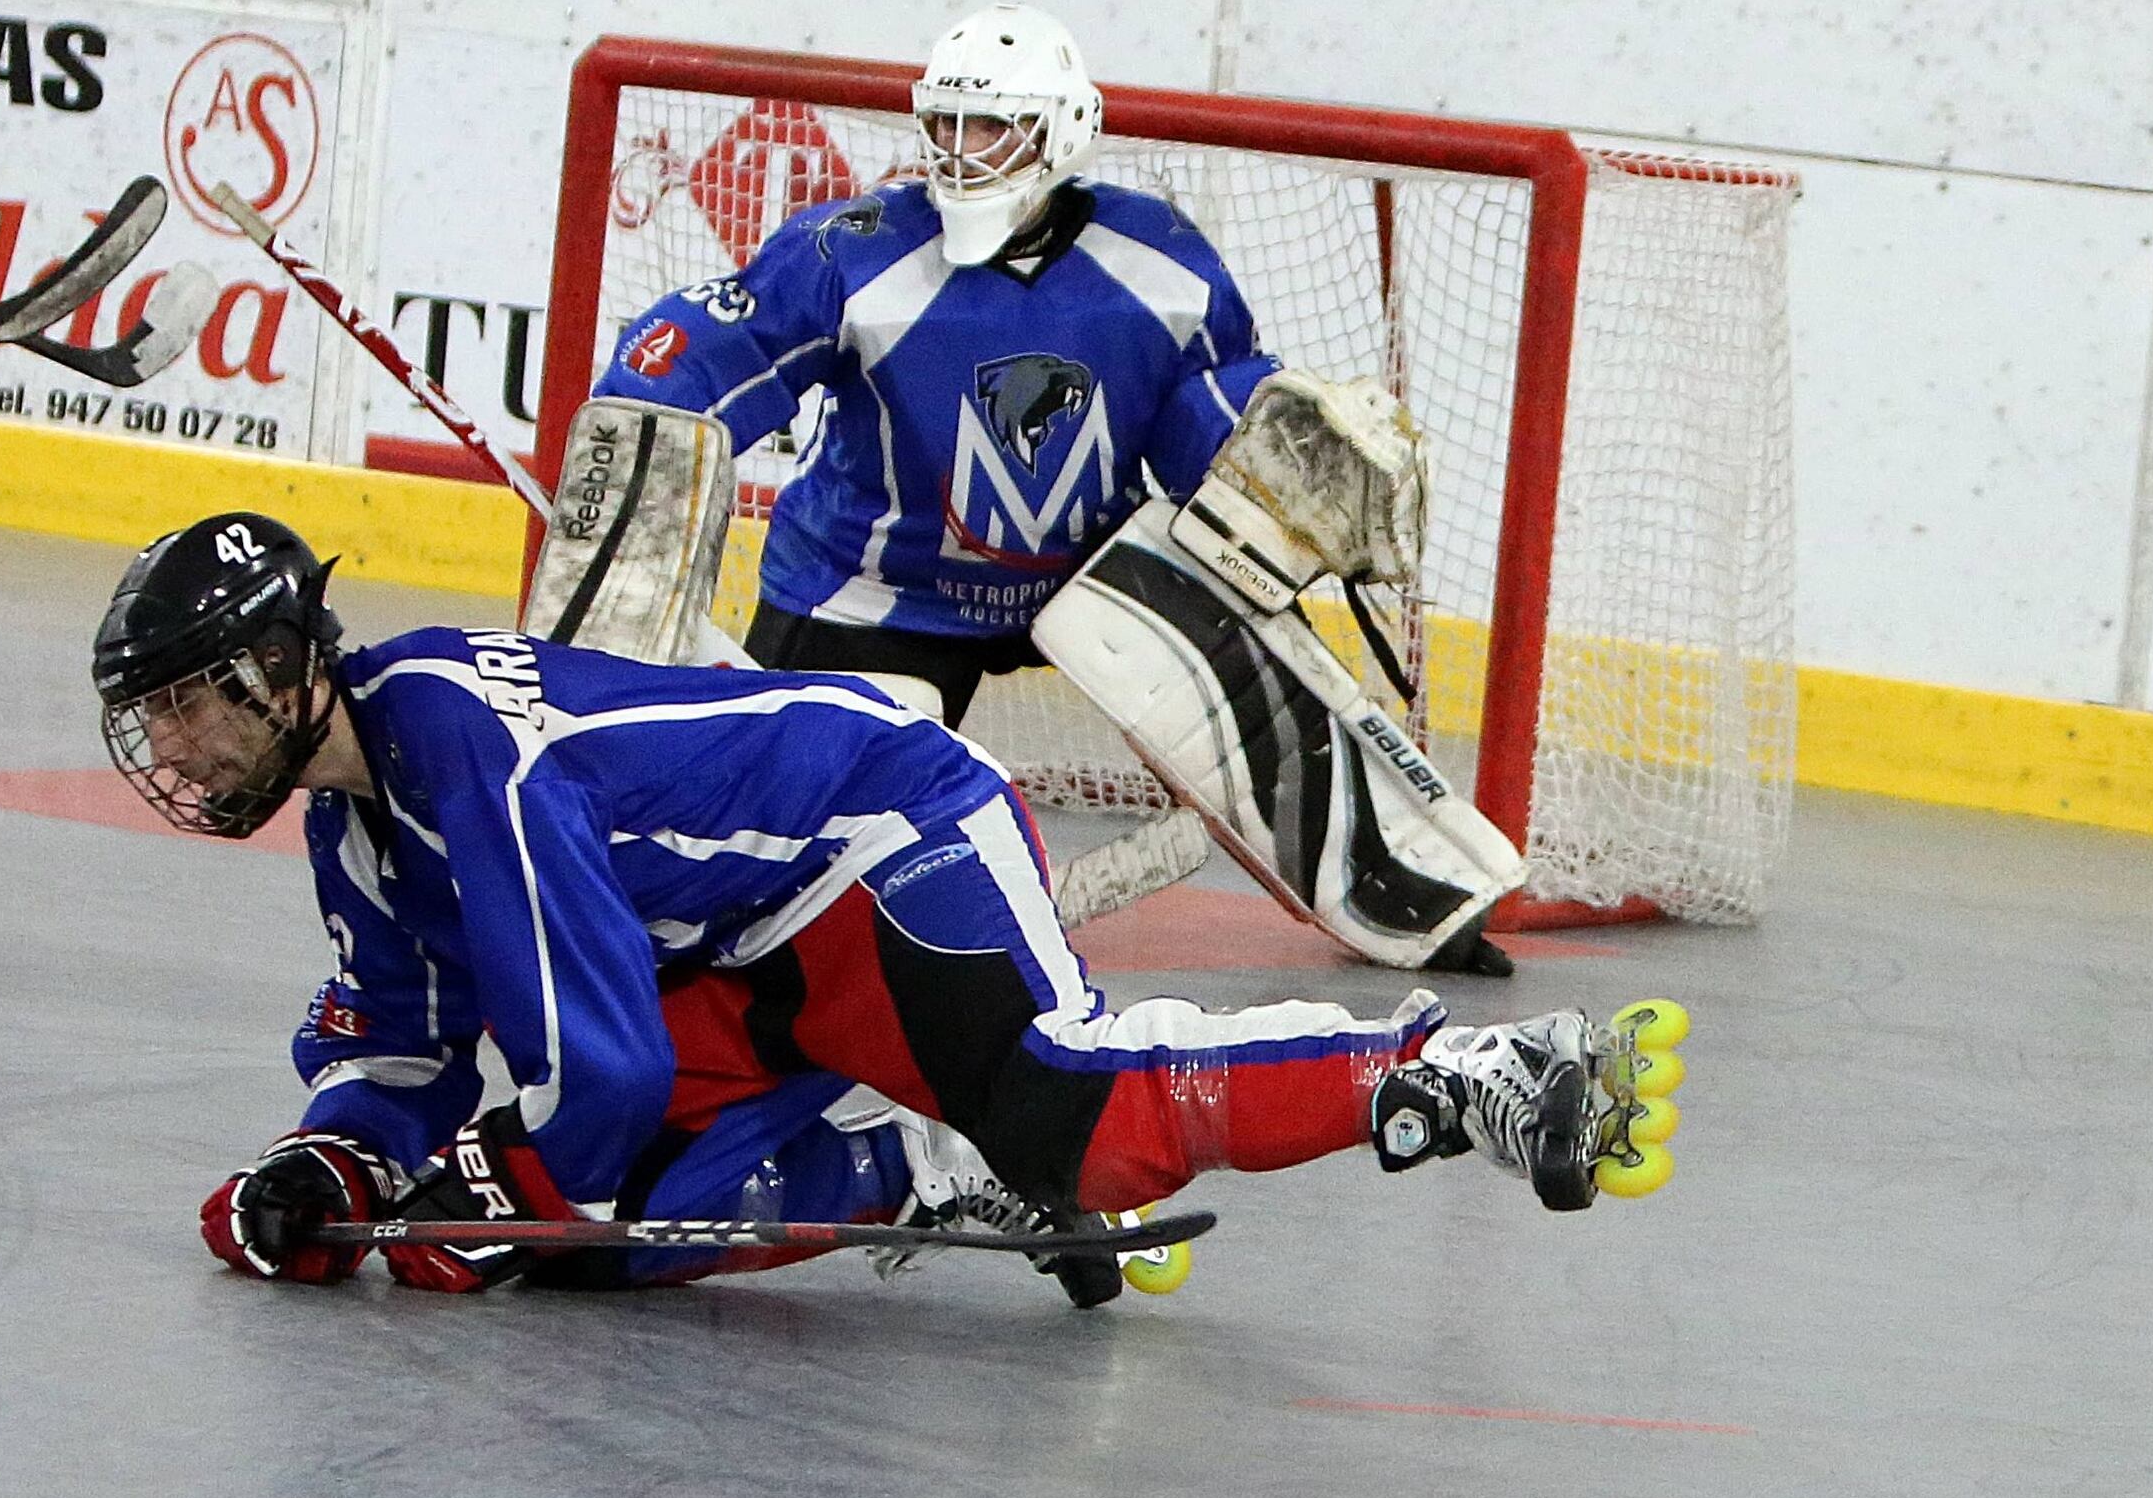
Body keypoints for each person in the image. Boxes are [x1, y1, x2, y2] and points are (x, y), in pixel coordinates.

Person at [93, 511, 1681, 1308]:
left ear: (275, 670)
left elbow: (601, 1073)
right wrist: (334, 1166)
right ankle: (918, 1159)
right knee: (601, 1235)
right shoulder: (358, 825)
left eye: (182, 705)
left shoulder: (455, 739)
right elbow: (408, 1052)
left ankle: (1448, 1076)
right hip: (751, 936)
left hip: (879, 831)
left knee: (1079, 1120)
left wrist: (465, 1201)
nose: (167, 748)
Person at [531, 7, 1525, 972]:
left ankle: (1407, 892)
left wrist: (1270, 458)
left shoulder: (1162, 263)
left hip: (1089, 577)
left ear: (1063, 133)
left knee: (1270, 683)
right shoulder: (853, 251)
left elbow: (1200, 433)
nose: (962, 150)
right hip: (872, 588)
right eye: (946, 124)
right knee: (792, 858)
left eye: (993, 125)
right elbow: (708, 359)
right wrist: (646, 423)